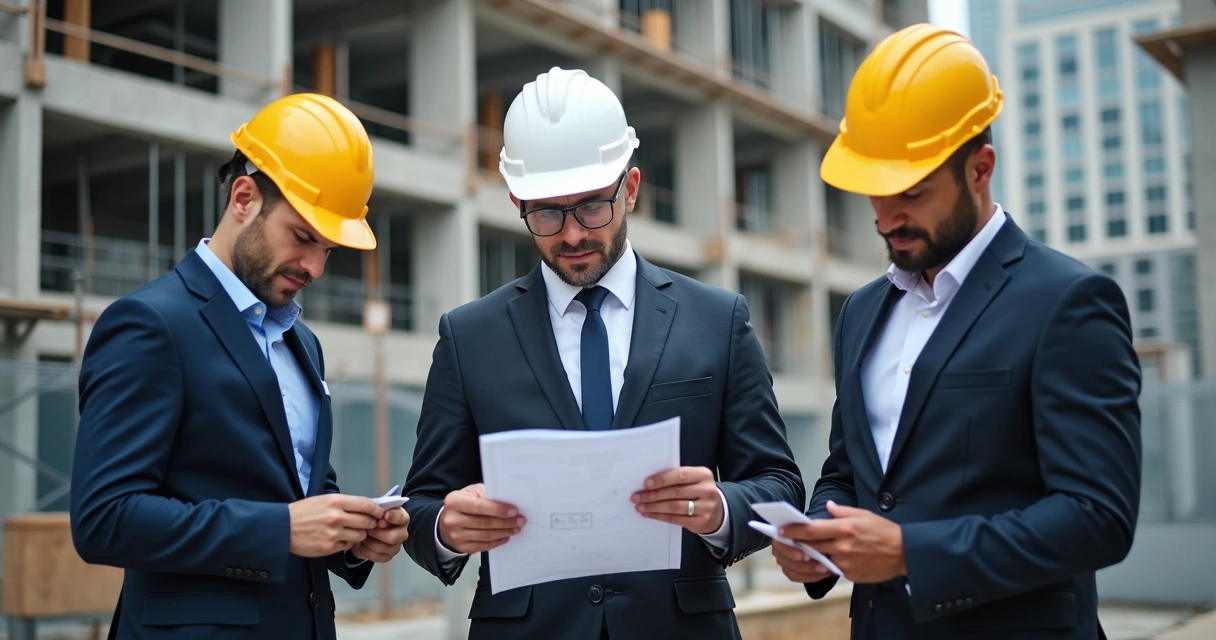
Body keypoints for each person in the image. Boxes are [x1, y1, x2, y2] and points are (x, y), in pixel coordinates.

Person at [400, 67, 805, 640]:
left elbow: (779, 482)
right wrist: (445, 526)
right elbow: (420, 504)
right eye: (545, 213)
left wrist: (719, 508)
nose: (571, 235)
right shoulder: (469, 337)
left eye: (592, 206)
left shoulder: (716, 320)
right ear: (516, 199)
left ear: (631, 187)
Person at [769, 24, 1142, 640]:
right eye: (874, 193)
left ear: (980, 168)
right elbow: (849, 472)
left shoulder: (1068, 303)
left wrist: (912, 551)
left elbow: (1098, 517)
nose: (887, 219)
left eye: (911, 192)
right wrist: (818, 538)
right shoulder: (862, 312)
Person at [70, 93, 410, 640]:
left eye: (329, 249)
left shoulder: (304, 343)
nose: (316, 267)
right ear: (244, 198)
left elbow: (302, 498)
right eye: (303, 238)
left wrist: (351, 536)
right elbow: (104, 519)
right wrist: (280, 529)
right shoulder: (149, 324)